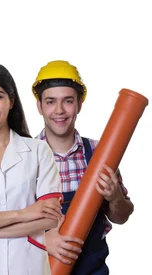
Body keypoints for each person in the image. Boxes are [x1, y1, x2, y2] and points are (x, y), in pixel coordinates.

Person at [0, 62, 63, 275]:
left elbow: (49, 218)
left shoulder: (38, 150)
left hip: (27, 265)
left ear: (11, 100)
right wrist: (23, 214)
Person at [33, 60, 134, 275]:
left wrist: (115, 198)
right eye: (50, 101)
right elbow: (1, 226)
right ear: (39, 106)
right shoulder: (25, 157)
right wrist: (41, 240)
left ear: (79, 104)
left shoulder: (102, 153)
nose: (59, 110)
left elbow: (121, 217)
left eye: (68, 101)